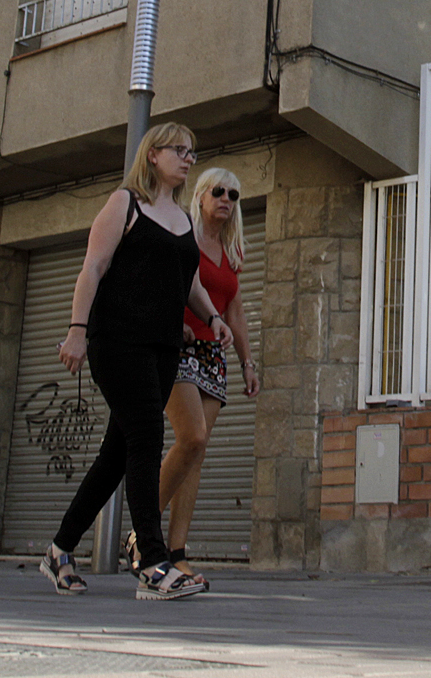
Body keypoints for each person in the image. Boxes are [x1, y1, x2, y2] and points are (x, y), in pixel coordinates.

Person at [40, 123, 233, 602]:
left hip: (164, 346)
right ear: (152, 155)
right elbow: (93, 267)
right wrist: (77, 331)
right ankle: (151, 560)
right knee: (148, 436)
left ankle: (59, 551)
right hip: (117, 340)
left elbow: (189, 282)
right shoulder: (124, 204)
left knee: (114, 458)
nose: (188, 159)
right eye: (179, 151)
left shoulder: (183, 220)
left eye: (192, 152)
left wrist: (213, 317)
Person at [152, 166, 259, 584]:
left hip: (214, 354)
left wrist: (249, 363)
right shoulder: (183, 238)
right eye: (218, 191)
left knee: (196, 455)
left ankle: (176, 552)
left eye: (233, 195)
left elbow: (234, 309)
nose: (226, 200)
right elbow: (163, 285)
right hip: (177, 347)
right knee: (190, 437)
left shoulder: (233, 252)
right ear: (199, 196)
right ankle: (145, 533)